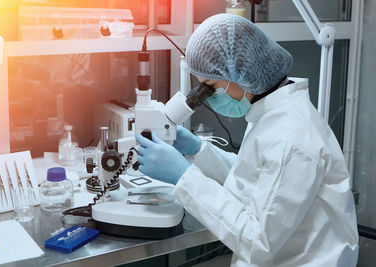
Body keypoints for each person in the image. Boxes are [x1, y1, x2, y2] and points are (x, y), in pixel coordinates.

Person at [135, 14, 358, 266]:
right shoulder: (272, 113)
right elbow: (256, 179)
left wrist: (184, 177)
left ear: (239, 71)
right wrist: (199, 151)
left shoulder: (290, 138)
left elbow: (258, 242)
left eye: (210, 87)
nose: (208, 97)